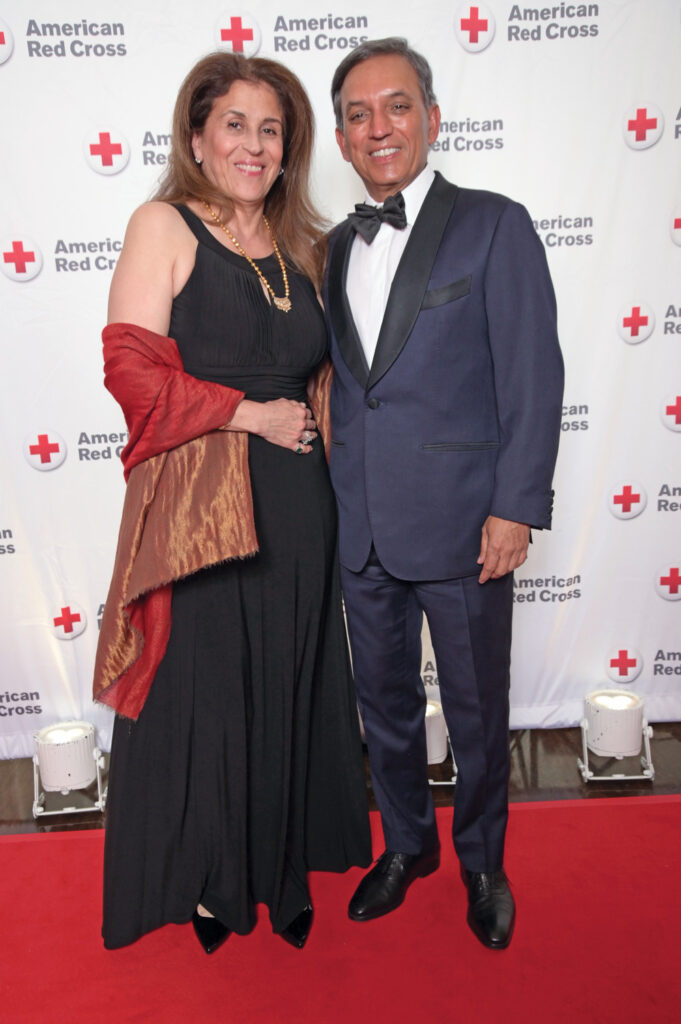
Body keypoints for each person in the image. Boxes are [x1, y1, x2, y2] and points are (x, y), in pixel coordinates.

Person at [93, 51, 371, 954]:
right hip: (204, 508)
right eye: (235, 125)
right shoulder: (163, 225)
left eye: (271, 129)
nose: (254, 145)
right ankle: (216, 882)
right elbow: (131, 372)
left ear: (289, 148)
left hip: (299, 504)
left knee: (289, 677)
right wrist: (249, 413)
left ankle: (279, 870)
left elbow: (330, 381)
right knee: (212, 694)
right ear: (198, 137)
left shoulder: (303, 246)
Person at [323, 38, 564, 950]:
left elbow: (532, 376)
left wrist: (515, 506)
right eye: (357, 114)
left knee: (474, 712)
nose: (378, 127)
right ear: (341, 139)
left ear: (430, 118)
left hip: (466, 526)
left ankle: (483, 864)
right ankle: (406, 846)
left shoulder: (494, 225)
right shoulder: (335, 246)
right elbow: (352, 386)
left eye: (396, 106)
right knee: (383, 708)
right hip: (362, 528)